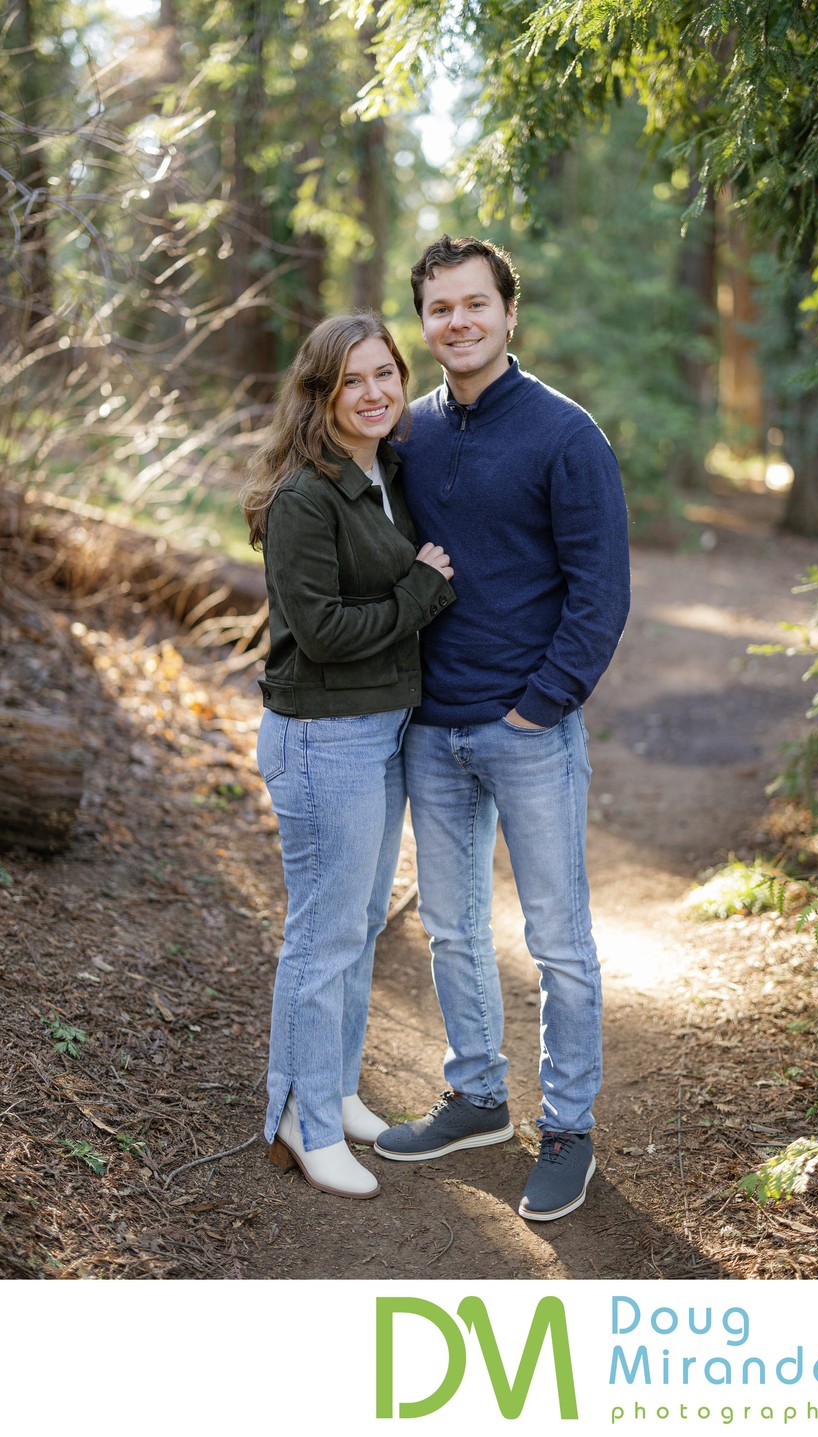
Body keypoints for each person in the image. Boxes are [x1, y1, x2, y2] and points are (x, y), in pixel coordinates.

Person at [373, 235, 631, 1222]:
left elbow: (598, 594)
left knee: (558, 941)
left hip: (527, 732)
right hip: (429, 734)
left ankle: (566, 1128)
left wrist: (539, 704)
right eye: (439, 308)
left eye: (474, 304)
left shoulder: (566, 436)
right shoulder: (411, 432)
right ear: (425, 321)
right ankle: (477, 1095)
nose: (458, 322)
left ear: (508, 313)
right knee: (451, 930)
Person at [241, 313, 455, 1200]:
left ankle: (332, 1090)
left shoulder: (387, 472)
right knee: (322, 937)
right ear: (319, 394)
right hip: (323, 736)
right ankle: (298, 1115)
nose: (373, 393)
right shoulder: (304, 496)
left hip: (380, 731)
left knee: (358, 926)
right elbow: (322, 633)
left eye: (385, 375)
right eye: (352, 381)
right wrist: (421, 591)